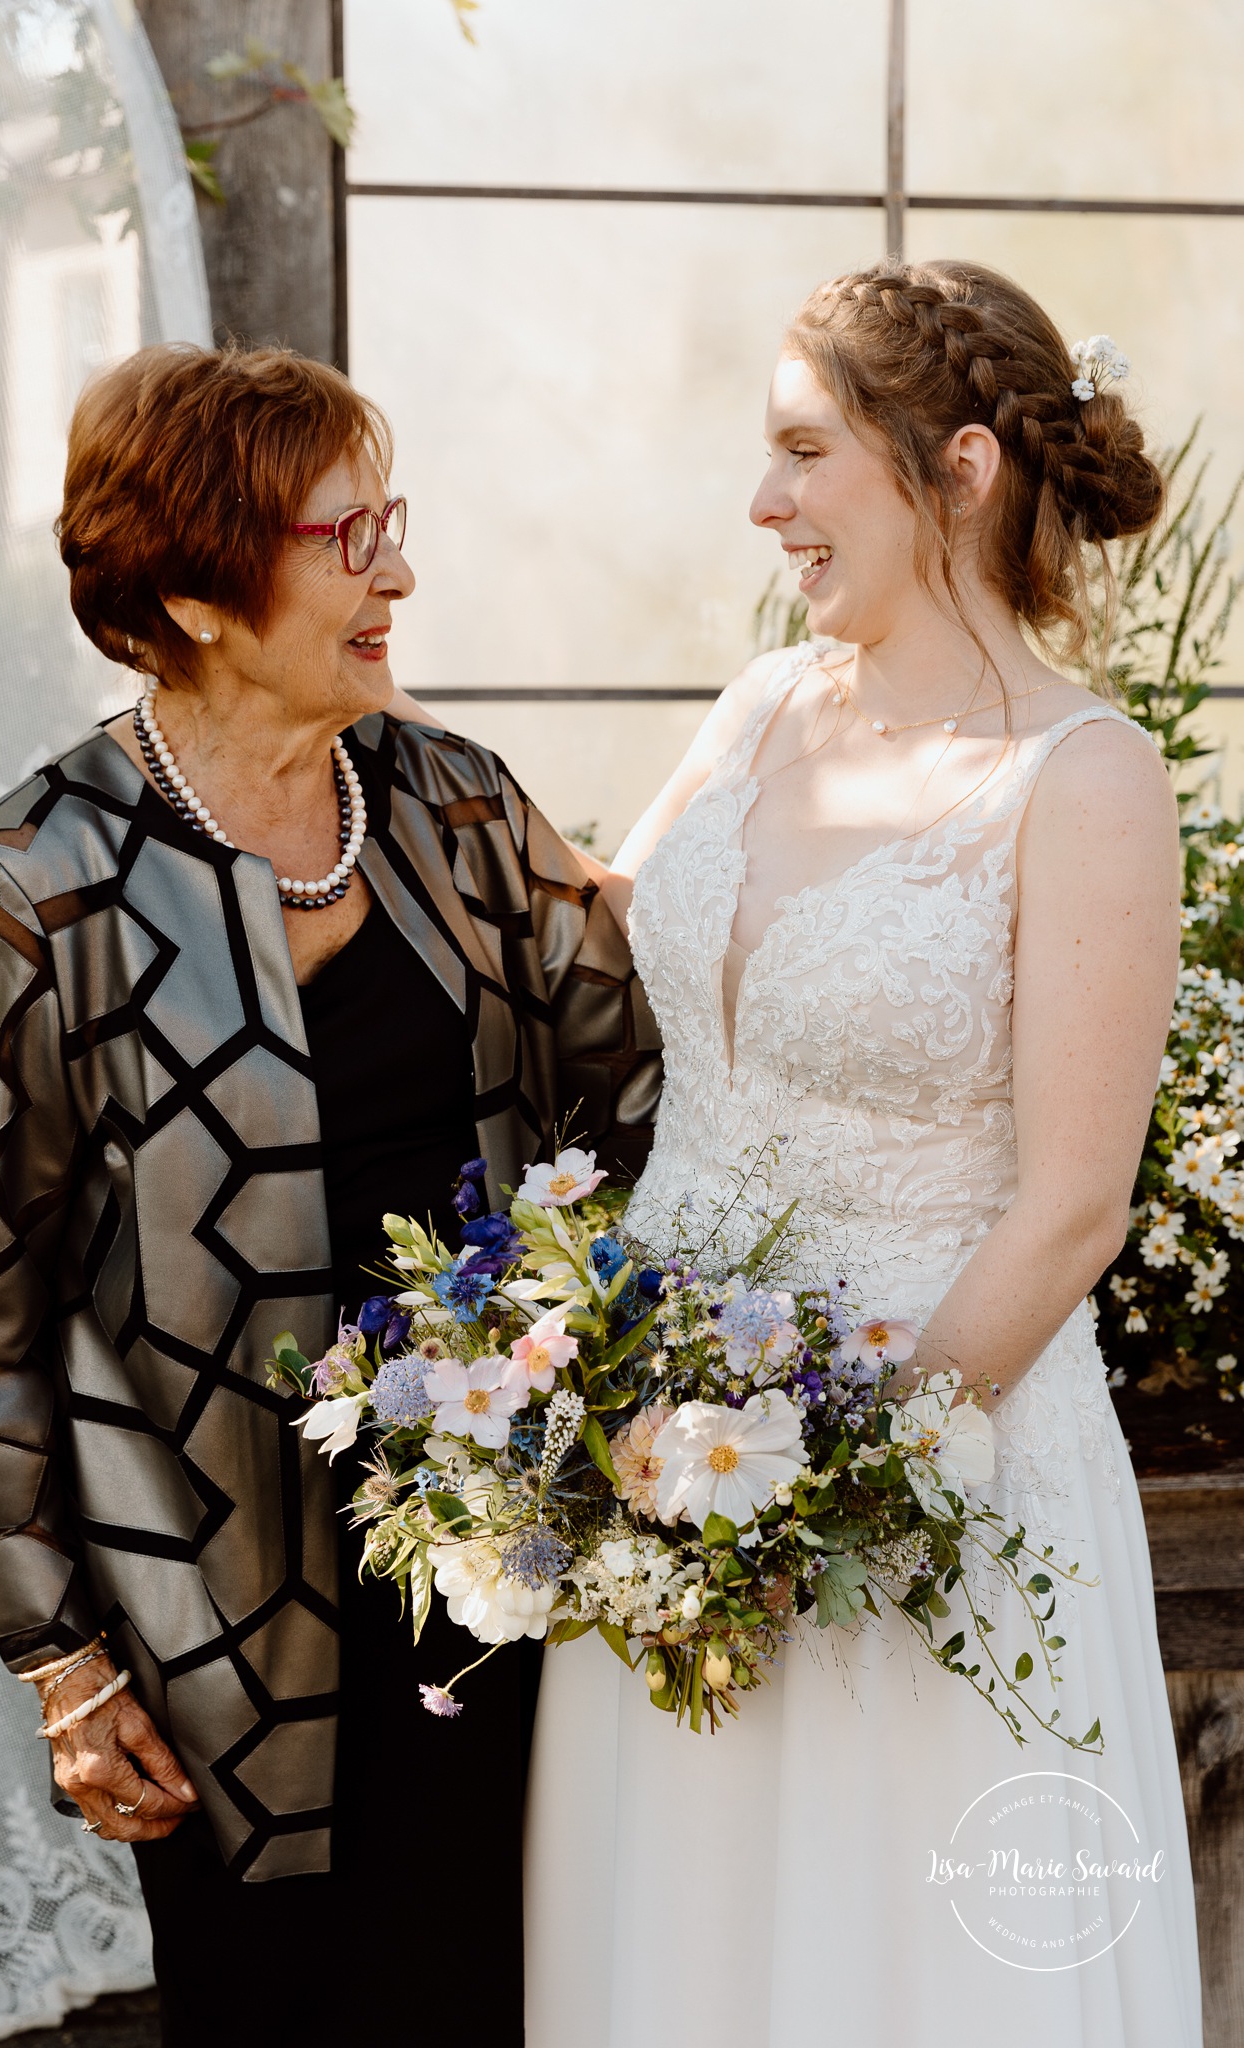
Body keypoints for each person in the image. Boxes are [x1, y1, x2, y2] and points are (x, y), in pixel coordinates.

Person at [0, 343, 659, 2048]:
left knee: (489, 1994)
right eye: (347, 538)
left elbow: (630, 1121)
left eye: (388, 524)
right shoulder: (41, 881)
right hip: (212, 1604)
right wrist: (61, 1660)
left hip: (495, 1562)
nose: (395, 574)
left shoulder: (464, 808)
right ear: (192, 594)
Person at [525, 262, 1201, 2045]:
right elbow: (614, 933)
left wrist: (821, 1493)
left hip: (924, 1477)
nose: (764, 502)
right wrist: (379, 767)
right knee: (677, 1951)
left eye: (803, 450)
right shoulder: (762, 707)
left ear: (957, 468)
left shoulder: (1086, 778)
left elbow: (1072, 1209)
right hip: (657, 1453)